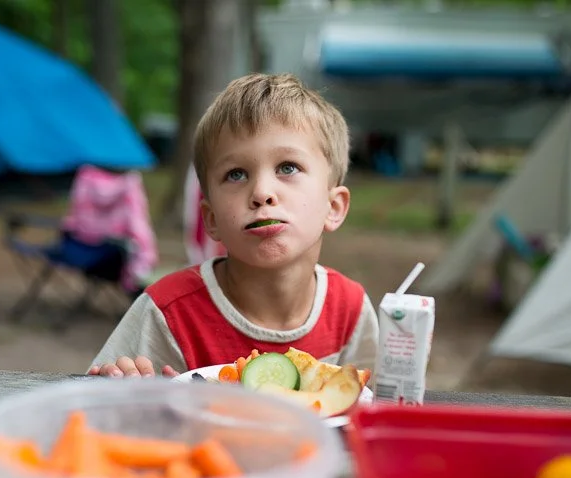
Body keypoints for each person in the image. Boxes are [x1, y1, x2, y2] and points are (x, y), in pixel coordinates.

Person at [88, 72, 379, 378]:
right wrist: (118, 386)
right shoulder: (167, 313)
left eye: (287, 167)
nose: (262, 192)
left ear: (333, 207)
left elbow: (374, 406)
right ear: (211, 219)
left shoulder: (350, 309)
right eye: (237, 174)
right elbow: (96, 408)